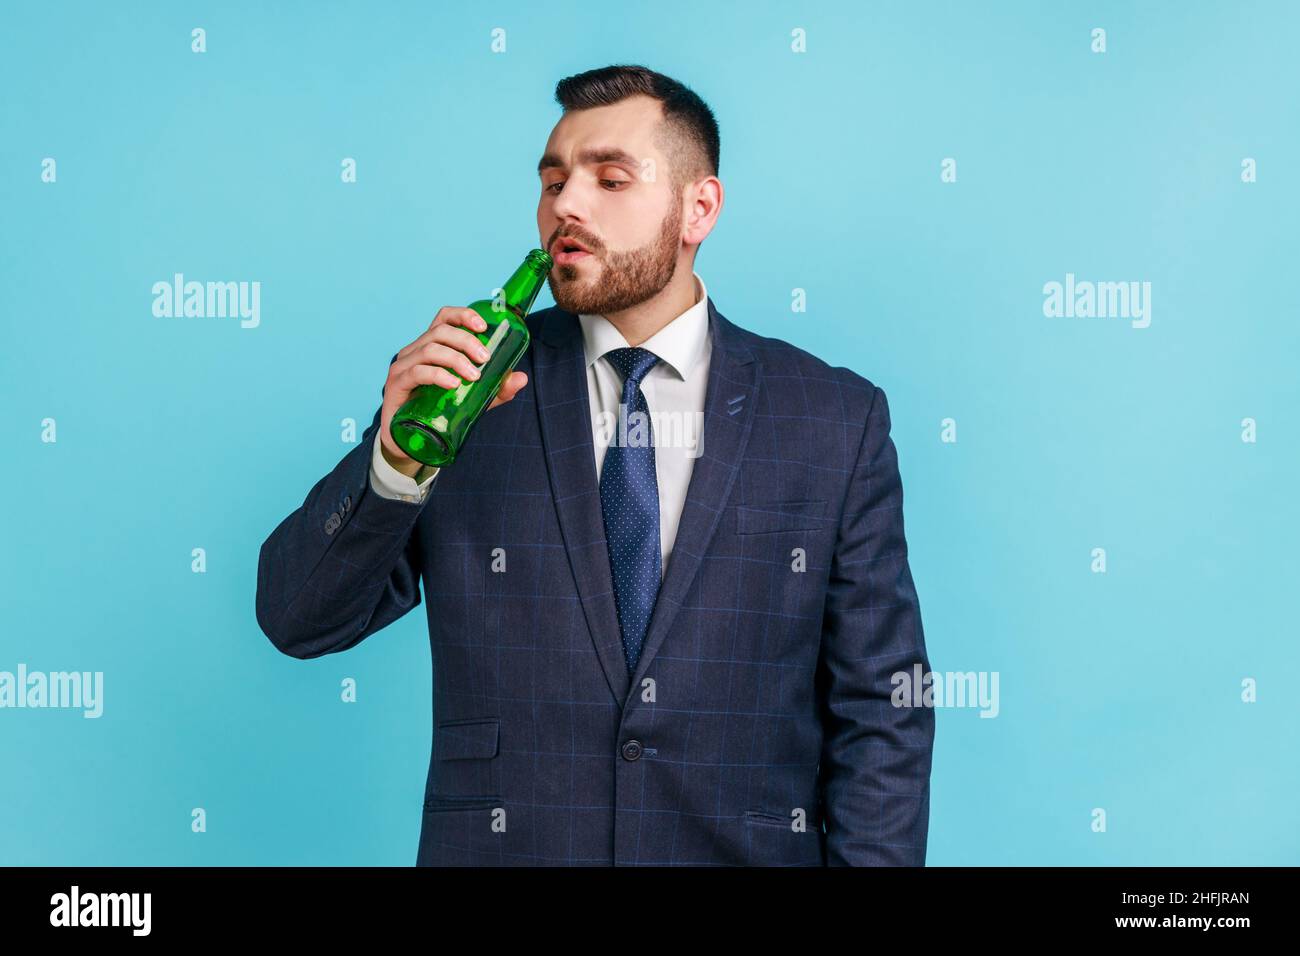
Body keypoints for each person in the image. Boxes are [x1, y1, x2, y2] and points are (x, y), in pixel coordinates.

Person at [256, 64, 935, 866]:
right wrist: (394, 462)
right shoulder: (469, 392)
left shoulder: (833, 420)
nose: (566, 207)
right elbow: (298, 619)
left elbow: (883, 711)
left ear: (699, 208)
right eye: (553, 182)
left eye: (610, 178)